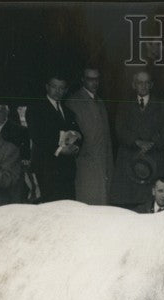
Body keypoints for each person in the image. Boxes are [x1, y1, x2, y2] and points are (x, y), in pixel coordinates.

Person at [110, 71, 164, 210]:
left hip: (155, 157)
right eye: (140, 82)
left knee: (153, 202)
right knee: (130, 204)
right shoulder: (124, 104)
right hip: (130, 158)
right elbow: (119, 129)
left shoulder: (162, 104)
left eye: (147, 82)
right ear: (134, 85)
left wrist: (153, 143)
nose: (143, 86)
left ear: (151, 85)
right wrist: (137, 142)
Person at [26, 73, 81, 202]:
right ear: (47, 87)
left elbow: (79, 134)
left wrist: (76, 147)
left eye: (61, 88)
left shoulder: (68, 112)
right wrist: (59, 150)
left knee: (67, 209)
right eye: (54, 87)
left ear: (66, 90)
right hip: (46, 170)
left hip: (67, 170)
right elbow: (37, 137)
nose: (58, 91)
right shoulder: (35, 109)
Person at [66, 67, 113, 205]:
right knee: (88, 204)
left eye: (97, 79)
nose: (94, 83)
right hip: (86, 163)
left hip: (103, 162)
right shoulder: (73, 102)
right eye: (90, 79)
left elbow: (106, 137)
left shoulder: (101, 102)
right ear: (83, 80)